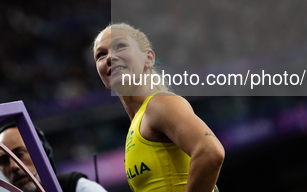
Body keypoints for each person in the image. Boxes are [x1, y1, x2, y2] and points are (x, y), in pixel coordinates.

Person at [93, 23, 224, 192]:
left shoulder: (160, 103)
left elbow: (210, 152)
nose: (110, 57)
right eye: (101, 55)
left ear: (149, 58)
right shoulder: (136, 126)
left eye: (120, 46)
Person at [0, 125, 107, 192]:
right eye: (3, 161)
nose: (13, 166)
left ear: (43, 152)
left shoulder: (78, 187)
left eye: (19, 154)